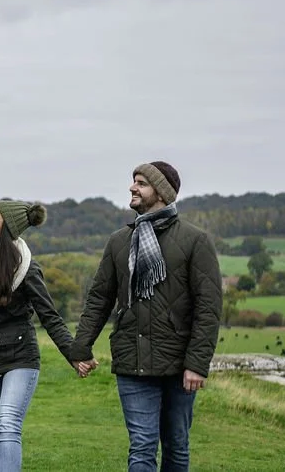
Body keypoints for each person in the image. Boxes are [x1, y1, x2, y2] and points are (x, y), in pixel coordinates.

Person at [69, 161, 222, 471]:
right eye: (133, 181)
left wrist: (196, 364)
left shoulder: (195, 241)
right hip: (132, 360)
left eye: (141, 183)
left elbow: (208, 307)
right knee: (141, 445)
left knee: (176, 444)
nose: (132, 187)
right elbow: (99, 298)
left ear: (161, 192)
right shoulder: (119, 241)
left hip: (179, 364)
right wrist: (81, 347)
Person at [0, 199, 80, 472]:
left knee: (8, 425)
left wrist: (74, 354)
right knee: (0, 431)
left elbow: (50, 316)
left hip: (20, 359)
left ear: (7, 228)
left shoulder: (27, 270)